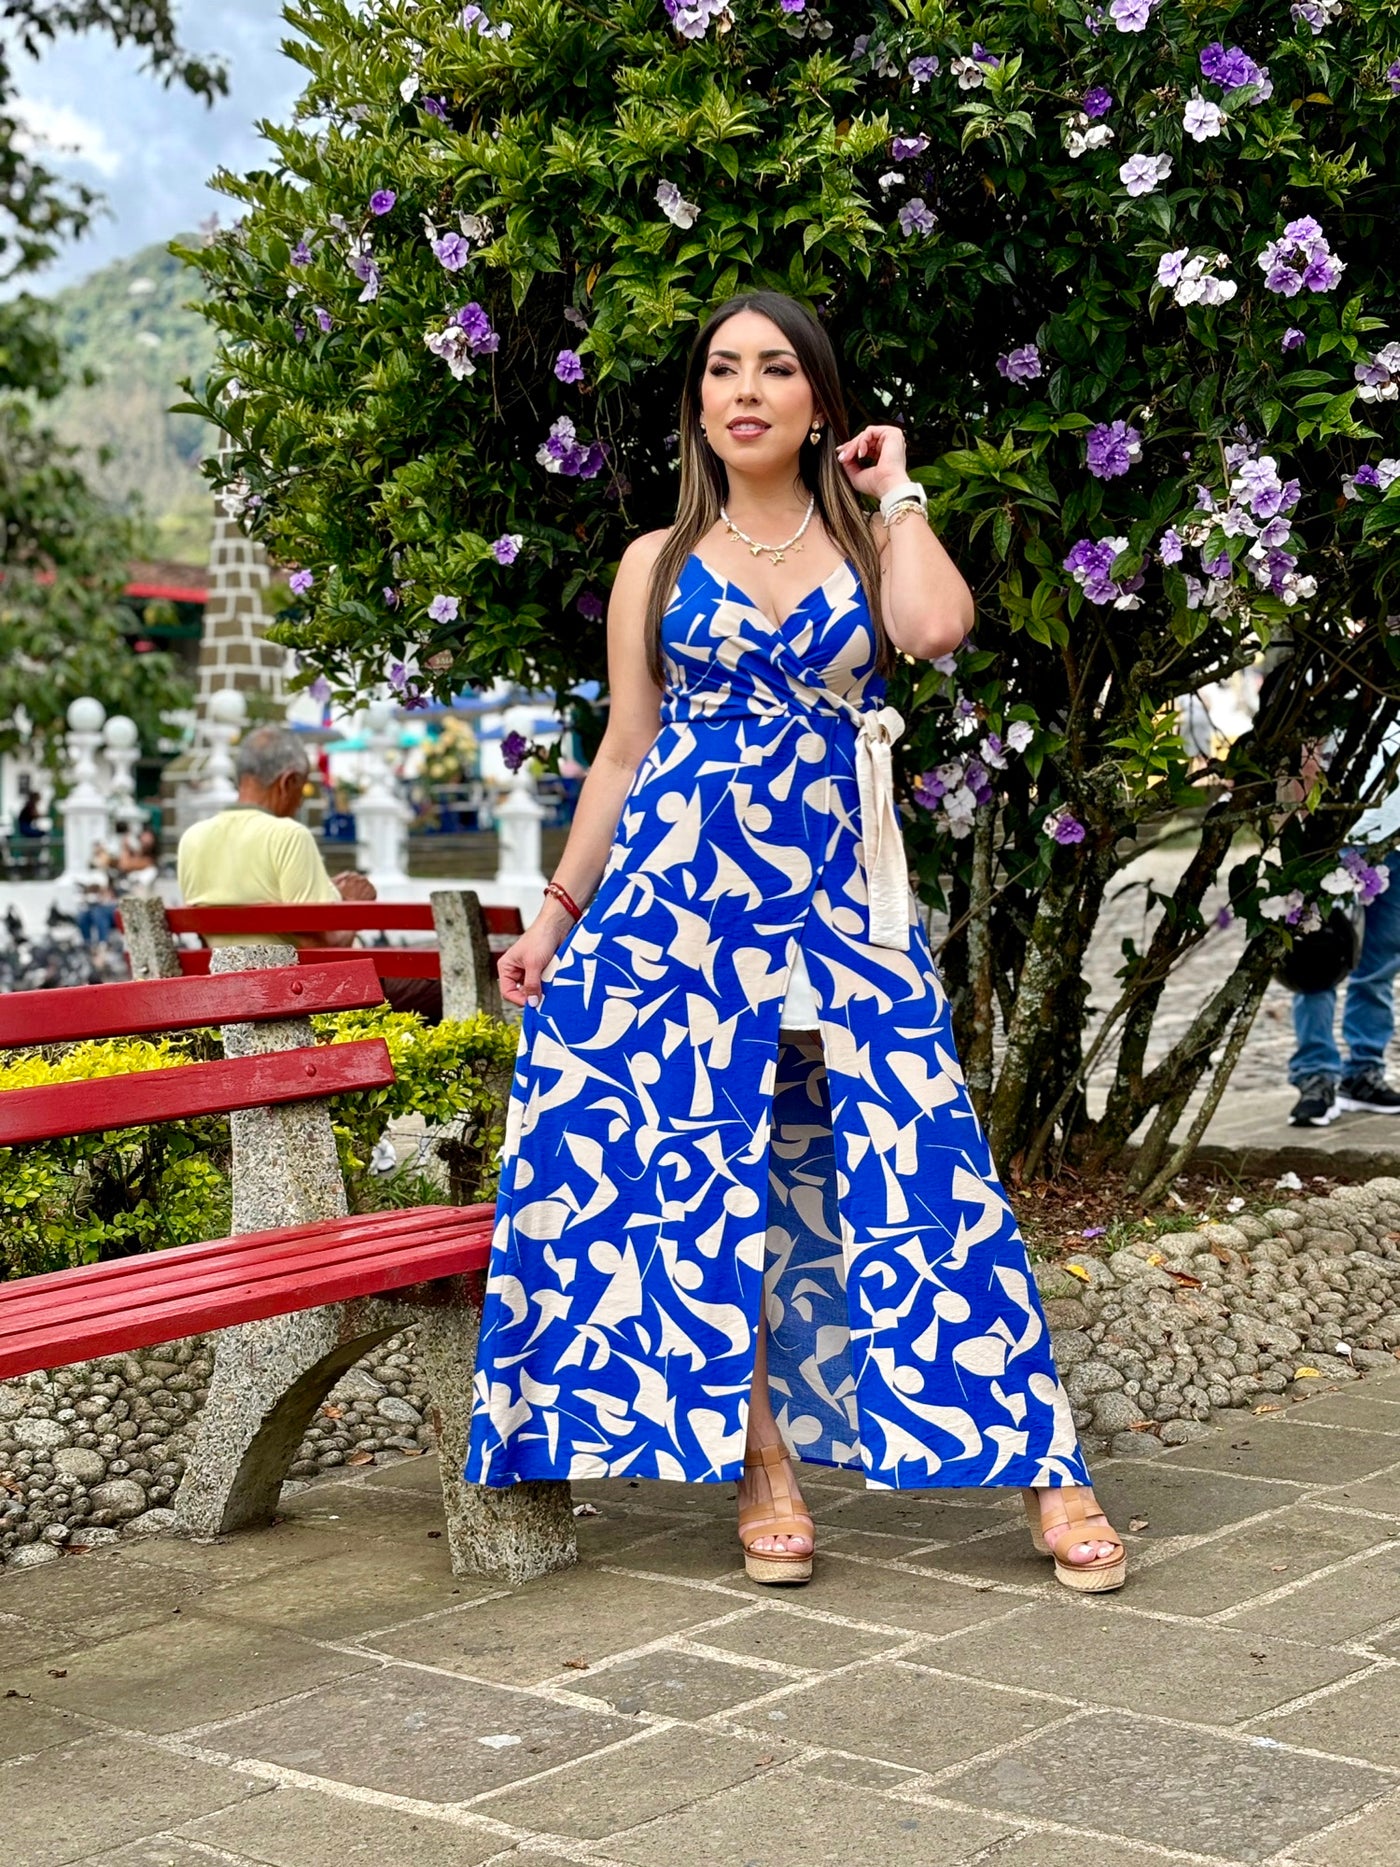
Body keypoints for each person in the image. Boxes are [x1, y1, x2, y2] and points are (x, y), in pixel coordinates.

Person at [463, 292, 1125, 1593]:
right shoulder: (654, 562)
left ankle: (1053, 1469)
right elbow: (622, 750)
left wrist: (901, 492)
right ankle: (763, 1462)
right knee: (707, 1171)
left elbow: (937, 633)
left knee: (925, 1155)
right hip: (676, 905)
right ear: (701, 401)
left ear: (820, 401)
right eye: (723, 368)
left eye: (777, 368)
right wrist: (555, 914)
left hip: (841, 900)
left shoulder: (872, 544)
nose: (746, 388)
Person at [177, 723, 442, 1022]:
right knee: (445, 980)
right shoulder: (287, 835)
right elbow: (324, 949)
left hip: (233, 992)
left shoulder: (192, 839)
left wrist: (330, 893)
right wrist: (354, 904)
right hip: (303, 995)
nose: (301, 800)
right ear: (287, 781)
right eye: (302, 787)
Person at [1289, 729, 1400, 1126]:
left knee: (1381, 962)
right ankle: (1315, 1075)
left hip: (1397, 838)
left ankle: (1363, 1073)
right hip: (1337, 834)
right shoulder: (1348, 668)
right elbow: (1308, 744)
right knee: (1316, 958)